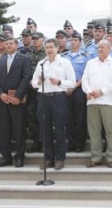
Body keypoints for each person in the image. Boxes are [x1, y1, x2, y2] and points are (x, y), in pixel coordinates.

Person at [31, 38, 76, 170]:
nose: (49, 49)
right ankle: (48, 158)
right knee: (45, 130)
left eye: (51, 47)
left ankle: (60, 158)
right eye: (47, 47)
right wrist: (38, 81)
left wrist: (60, 82)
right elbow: (33, 82)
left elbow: (72, 82)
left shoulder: (65, 63)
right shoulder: (41, 63)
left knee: (60, 128)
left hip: (58, 98)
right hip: (43, 98)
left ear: (57, 48)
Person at [82, 40, 112, 168]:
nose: (100, 49)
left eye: (103, 47)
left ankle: (110, 157)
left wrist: (102, 91)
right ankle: (96, 157)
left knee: (110, 130)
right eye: (98, 47)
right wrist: (88, 91)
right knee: (94, 131)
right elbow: (85, 80)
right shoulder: (90, 63)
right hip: (92, 101)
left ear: (109, 49)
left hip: (108, 101)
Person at [0, 37, 31, 168]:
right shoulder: (0, 61)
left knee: (19, 129)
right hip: (3, 101)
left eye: (11, 43)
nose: (8, 45)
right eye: (6, 43)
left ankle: (19, 156)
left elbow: (26, 78)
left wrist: (18, 96)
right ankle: (6, 157)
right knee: (3, 130)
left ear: (17, 45)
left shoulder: (24, 59)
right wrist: (1, 94)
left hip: (17, 101)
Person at [61, 31, 90, 152]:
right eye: (71, 40)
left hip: (79, 88)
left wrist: (74, 86)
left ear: (80, 42)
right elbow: (60, 74)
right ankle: (71, 142)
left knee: (80, 117)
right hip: (66, 89)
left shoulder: (85, 56)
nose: (73, 42)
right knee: (68, 118)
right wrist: (66, 87)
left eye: (75, 40)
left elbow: (86, 75)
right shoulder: (64, 57)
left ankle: (79, 143)